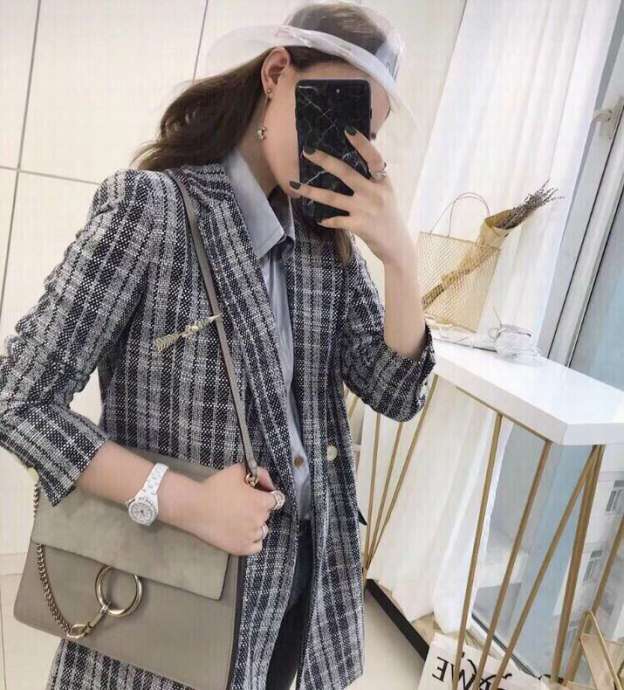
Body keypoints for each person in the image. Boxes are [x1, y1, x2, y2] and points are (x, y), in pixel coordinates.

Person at [0, 2, 436, 689]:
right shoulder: (154, 210)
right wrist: (184, 499)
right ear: (276, 73)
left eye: (366, 132)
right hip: (169, 584)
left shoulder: (326, 246)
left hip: (297, 594)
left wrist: (401, 260)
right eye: (337, 112)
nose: (346, 146)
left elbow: (396, 390)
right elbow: (19, 400)